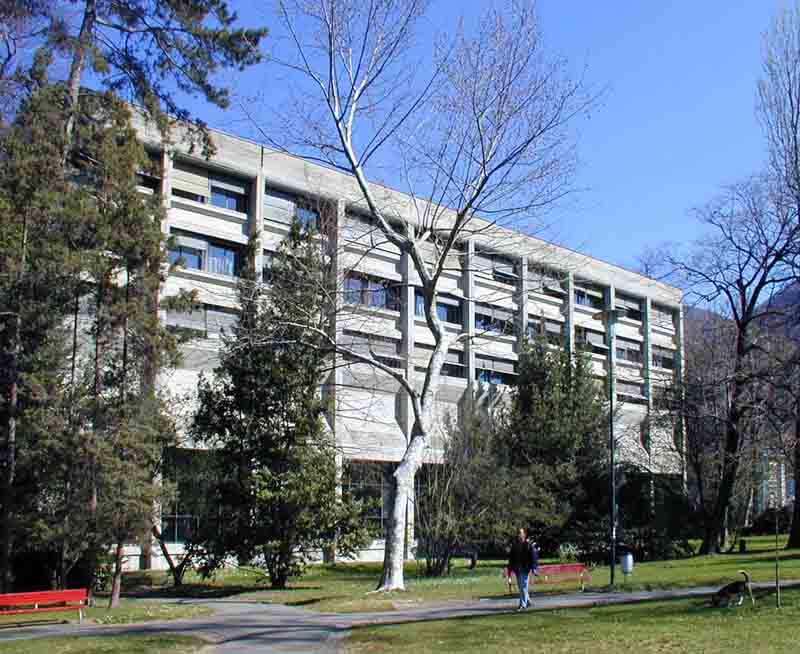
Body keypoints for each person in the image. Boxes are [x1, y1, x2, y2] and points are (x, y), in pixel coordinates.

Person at [508, 527, 536, 610]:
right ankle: (527, 601)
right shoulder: (515, 545)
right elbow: (511, 557)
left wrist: (533, 568)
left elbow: (533, 557)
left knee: (523, 586)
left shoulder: (528, 545)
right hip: (517, 569)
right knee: (521, 587)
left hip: (525, 568)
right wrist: (510, 568)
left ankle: (523, 604)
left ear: (524, 534)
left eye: (521, 533)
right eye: (518, 533)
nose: (519, 535)